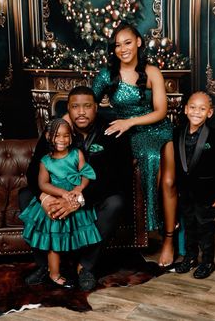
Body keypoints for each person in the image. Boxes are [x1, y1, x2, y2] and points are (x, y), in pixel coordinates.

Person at [19, 86, 133, 291]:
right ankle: (46, 265)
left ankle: (85, 266)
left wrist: (78, 200)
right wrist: (46, 198)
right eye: (75, 107)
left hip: (92, 196)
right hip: (57, 193)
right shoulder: (56, 131)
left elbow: (118, 178)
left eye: (87, 106)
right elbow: (33, 172)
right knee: (26, 195)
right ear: (68, 109)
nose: (81, 112)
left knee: (116, 201)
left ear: (96, 108)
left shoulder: (112, 132)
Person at [92, 21, 177, 267]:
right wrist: (61, 123)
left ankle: (168, 240)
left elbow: (161, 111)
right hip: (129, 135)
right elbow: (85, 102)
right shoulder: (107, 75)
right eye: (117, 45)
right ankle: (142, 229)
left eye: (127, 42)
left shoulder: (152, 72)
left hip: (157, 129)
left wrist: (129, 122)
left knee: (169, 181)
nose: (123, 49)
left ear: (138, 42)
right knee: (138, 161)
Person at [19, 118, 101, 288]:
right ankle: (54, 273)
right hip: (56, 199)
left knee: (77, 236)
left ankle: (79, 268)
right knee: (53, 239)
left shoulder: (76, 154)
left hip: (73, 199)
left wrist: (79, 189)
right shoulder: (45, 161)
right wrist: (63, 193)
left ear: (71, 137)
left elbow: (86, 173)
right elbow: (43, 184)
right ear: (49, 137)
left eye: (66, 136)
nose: (62, 140)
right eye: (57, 136)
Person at [174, 91, 215, 278]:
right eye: (193, 107)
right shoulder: (177, 134)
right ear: (186, 109)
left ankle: (208, 261)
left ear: (210, 113)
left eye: (202, 108)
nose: (197, 112)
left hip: (206, 192)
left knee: (205, 227)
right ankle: (190, 257)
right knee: (189, 225)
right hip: (185, 191)